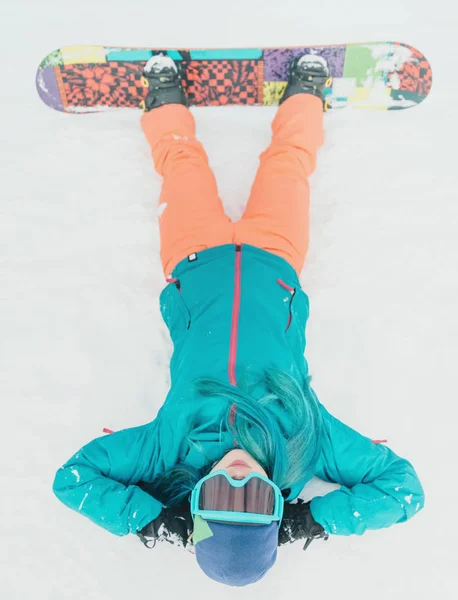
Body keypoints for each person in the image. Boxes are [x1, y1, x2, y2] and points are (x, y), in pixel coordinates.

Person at [53, 53, 425, 587]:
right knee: (288, 163)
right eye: (254, 496)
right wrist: (312, 522)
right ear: (279, 502)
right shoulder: (309, 439)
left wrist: (152, 521)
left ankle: (162, 97)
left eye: (219, 495)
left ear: (195, 501)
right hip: (275, 262)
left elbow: (73, 480)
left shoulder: (165, 448)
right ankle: (304, 93)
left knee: (181, 165)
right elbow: (403, 489)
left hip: (194, 259)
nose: (236, 475)